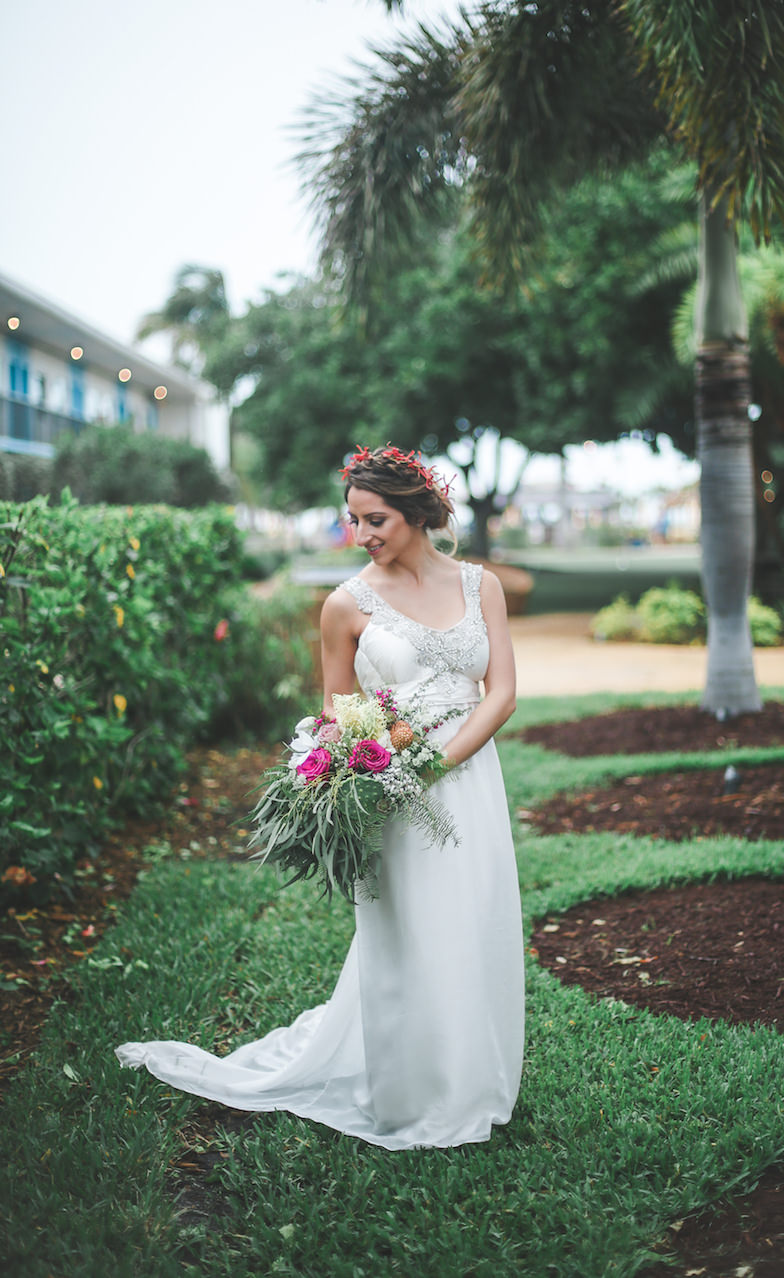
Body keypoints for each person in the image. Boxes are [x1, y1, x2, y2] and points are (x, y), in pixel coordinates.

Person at [116, 445, 525, 1151]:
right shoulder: (346, 604)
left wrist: (439, 765)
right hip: (389, 791)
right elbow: (338, 715)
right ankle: (408, 1093)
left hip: (469, 782)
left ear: (419, 513)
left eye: (378, 520)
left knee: (474, 918)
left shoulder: (479, 586)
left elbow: (504, 693)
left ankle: (474, 1079)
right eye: (354, 521)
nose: (363, 535)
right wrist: (367, 766)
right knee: (408, 933)